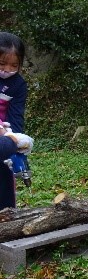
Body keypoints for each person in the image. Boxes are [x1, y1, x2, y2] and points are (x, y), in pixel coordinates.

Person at [0, 32, 29, 209]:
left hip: (3, 134)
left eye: (14, 65)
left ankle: (6, 212)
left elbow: (16, 116)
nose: (7, 70)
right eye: (2, 64)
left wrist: (15, 137)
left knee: (6, 151)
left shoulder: (18, 85)